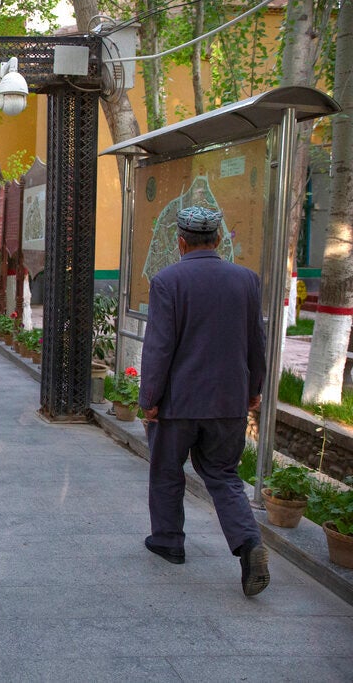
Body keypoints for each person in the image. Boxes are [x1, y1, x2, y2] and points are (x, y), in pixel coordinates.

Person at [139, 206, 269, 597]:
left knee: (166, 471)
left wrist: (150, 399)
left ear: (180, 241)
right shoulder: (246, 280)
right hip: (228, 400)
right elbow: (255, 340)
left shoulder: (167, 281)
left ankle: (168, 541)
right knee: (224, 475)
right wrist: (254, 388)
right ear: (219, 239)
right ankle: (248, 543)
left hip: (179, 404)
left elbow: (159, 348)